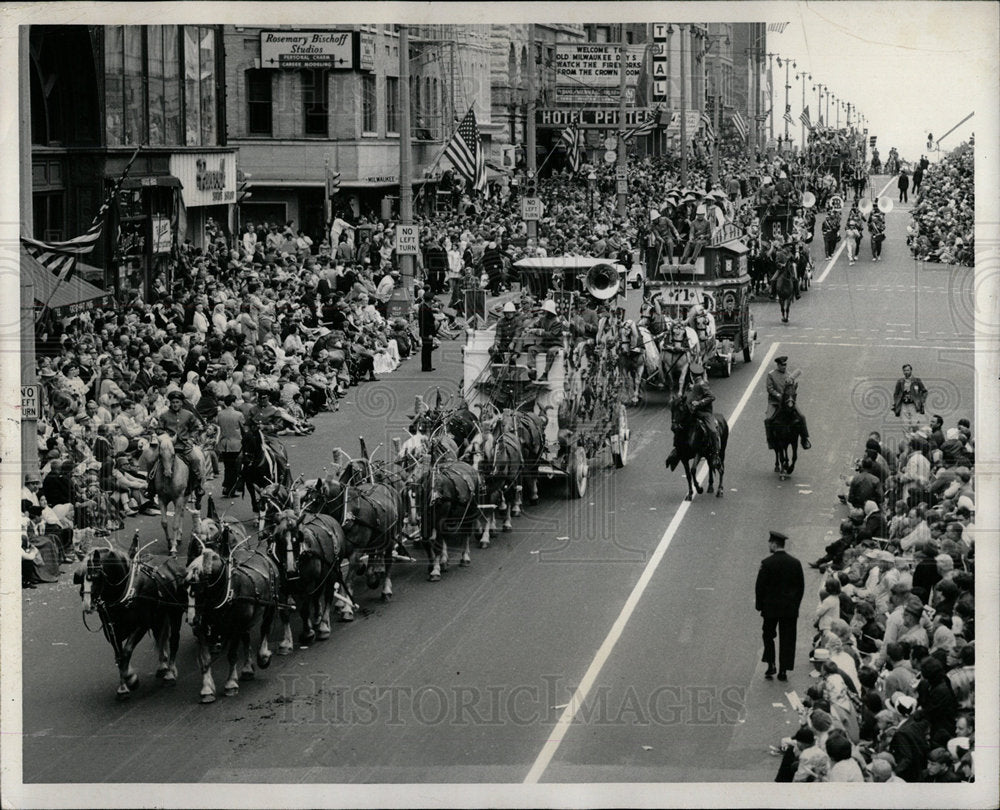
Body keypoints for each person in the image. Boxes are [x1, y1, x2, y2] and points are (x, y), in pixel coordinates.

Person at [755, 530, 805, 681]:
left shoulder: (767, 563)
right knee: (788, 638)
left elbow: (760, 587)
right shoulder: (795, 563)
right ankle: (784, 669)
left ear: (774, 544)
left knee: (768, 635)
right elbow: (800, 587)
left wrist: (760, 605)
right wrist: (795, 604)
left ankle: (771, 663)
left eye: (770, 543)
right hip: (789, 609)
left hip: (770, 608)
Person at [155, 390, 206, 508]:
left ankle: (197, 486)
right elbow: (159, 429)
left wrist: (191, 439)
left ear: (181, 403)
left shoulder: (188, 414)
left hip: (184, 446)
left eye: (177, 402)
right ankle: (151, 487)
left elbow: (196, 428)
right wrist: (166, 436)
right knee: (153, 460)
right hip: (169, 447)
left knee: (196, 460)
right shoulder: (164, 415)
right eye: (173, 402)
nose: (175, 405)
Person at [764, 355, 811, 450]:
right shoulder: (771, 375)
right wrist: (779, 395)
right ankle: (770, 440)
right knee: (768, 419)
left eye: (785, 365)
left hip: (787, 402)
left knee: (801, 416)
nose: (784, 367)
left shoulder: (789, 375)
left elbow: (792, 390)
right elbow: (770, 389)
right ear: (778, 365)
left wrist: (793, 389)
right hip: (774, 402)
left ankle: (804, 439)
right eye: (782, 365)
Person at [683, 363, 721, 463]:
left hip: (705, 413)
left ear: (692, 375)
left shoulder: (702, 384)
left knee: (712, 431)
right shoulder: (695, 384)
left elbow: (712, 397)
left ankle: (716, 453)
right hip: (694, 411)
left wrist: (699, 403)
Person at [525, 299, 565, 381]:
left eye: (546, 310)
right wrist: (530, 327)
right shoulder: (543, 319)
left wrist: (539, 332)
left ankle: (545, 373)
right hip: (545, 344)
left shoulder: (557, 321)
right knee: (531, 349)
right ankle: (533, 369)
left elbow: (552, 335)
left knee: (551, 352)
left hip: (556, 344)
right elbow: (536, 324)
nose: (545, 312)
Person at [216, 394, 245, 498]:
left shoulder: (220, 414)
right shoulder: (239, 415)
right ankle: (231, 488)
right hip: (236, 443)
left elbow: (218, 424)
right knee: (235, 468)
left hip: (224, 443)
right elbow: (243, 429)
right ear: (233, 402)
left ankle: (226, 487)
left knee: (227, 467)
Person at [418, 289, 438, 372]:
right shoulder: (424, 309)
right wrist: (430, 333)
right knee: (426, 349)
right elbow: (425, 323)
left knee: (428, 349)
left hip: (426, 332)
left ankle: (428, 365)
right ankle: (426, 366)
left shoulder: (426, 307)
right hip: (426, 332)